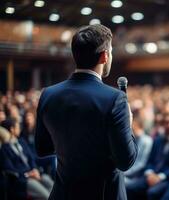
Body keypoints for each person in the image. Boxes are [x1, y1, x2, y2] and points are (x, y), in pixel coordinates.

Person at [34, 24, 138, 200]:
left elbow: (42, 148)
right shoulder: (115, 99)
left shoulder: (48, 94)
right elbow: (125, 161)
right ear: (105, 56)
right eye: (111, 51)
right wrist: (128, 125)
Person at [126, 112, 169, 200]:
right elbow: (150, 160)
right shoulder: (157, 140)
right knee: (130, 188)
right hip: (150, 175)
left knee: (152, 192)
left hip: (166, 179)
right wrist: (149, 173)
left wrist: (159, 177)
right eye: (167, 122)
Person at [0, 118, 53, 200]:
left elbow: (31, 158)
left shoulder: (22, 142)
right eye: (17, 127)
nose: (19, 129)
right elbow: (9, 168)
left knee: (51, 185)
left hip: (34, 174)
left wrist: (35, 170)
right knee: (47, 196)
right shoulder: (4, 149)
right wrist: (27, 174)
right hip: (22, 180)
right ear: (12, 129)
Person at [125, 113, 153, 184]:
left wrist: (125, 172)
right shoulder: (134, 139)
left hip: (137, 176)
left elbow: (141, 164)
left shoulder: (147, 141)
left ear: (138, 126)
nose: (130, 128)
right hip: (128, 173)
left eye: (132, 125)